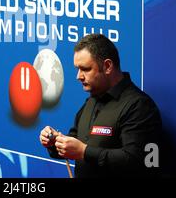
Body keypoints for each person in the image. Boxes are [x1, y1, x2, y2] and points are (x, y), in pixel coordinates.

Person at [39, 34, 162, 178]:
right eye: (77, 69)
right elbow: (75, 142)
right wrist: (55, 142)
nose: (78, 76)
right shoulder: (91, 101)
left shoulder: (139, 106)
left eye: (85, 69)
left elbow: (140, 161)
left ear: (108, 66)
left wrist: (84, 152)